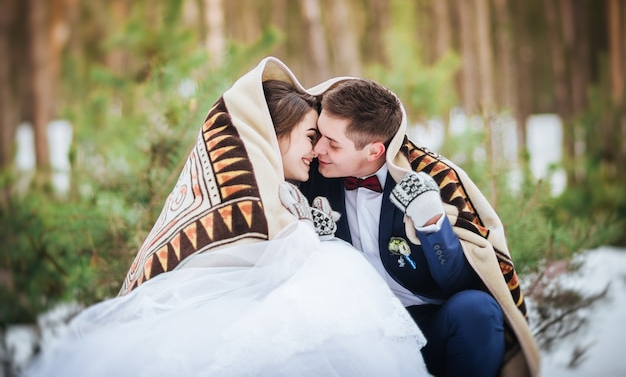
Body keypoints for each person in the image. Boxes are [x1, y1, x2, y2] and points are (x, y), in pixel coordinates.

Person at [23, 58, 429, 377]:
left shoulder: (290, 190)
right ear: (274, 134)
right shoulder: (244, 200)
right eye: (310, 137)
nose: (317, 149)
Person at [299, 78, 541, 377]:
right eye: (319, 134)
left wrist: (431, 223)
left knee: (476, 309)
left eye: (333, 143)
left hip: (423, 323)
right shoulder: (306, 171)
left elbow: (461, 283)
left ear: (374, 151)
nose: (318, 147)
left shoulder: (431, 178)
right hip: (347, 324)